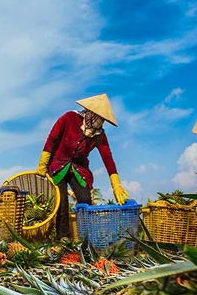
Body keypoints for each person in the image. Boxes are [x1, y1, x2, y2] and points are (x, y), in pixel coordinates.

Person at [36, 93, 130, 239]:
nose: (100, 122)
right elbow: (52, 139)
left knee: (85, 199)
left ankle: (85, 236)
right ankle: (63, 237)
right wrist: (43, 165)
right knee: (61, 202)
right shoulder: (69, 118)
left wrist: (116, 184)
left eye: (103, 120)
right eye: (98, 117)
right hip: (58, 165)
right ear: (90, 112)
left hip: (79, 170)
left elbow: (107, 158)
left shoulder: (99, 135)